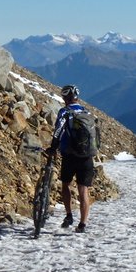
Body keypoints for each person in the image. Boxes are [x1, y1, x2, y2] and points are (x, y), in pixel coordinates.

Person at [47, 84, 94, 233]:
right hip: (87, 156)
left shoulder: (65, 112)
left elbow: (58, 132)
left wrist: (53, 148)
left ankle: (68, 215)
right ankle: (83, 224)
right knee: (83, 190)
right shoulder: (87, 113)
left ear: (66, 98)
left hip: (69, 155)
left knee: (66, 184)